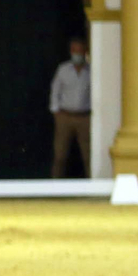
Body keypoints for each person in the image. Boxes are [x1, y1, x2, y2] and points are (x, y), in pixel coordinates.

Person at [50, 37, 91, 178]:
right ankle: (55, 185)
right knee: (60, 156)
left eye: (80, 50)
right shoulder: (63, 69)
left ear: (85, 51)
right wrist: (56, 111)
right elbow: (55, 90)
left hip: (84, 118)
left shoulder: (91, 71)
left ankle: (91, 185)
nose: (77, 54)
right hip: (65, 117)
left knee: (88, 156)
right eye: (74, 50)